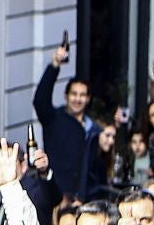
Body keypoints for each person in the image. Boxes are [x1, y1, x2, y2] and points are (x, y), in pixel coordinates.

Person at [34, 40, 107, 200]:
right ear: (66, 96)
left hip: (87, 198)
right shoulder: (54, 119)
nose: (77, 99)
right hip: (58, 196)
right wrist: (54, 65)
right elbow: (40, 100)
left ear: (88, 99)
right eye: (74, 94)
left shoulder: (95, 129)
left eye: (82, 95)